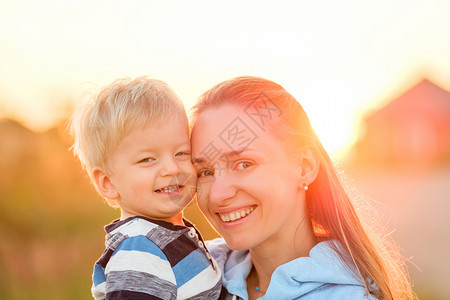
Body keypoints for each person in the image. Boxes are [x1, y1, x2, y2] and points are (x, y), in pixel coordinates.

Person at [189, 76, 416, 300]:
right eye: (205, 172)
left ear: (304, 166)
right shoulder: (189, 272)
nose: (217, 194)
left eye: (244, 164)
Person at [70, 77, 222, 300]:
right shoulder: (140, 250)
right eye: (147, 159)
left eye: (181, 153)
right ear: (108, 183)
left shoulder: (162, 236)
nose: (171, 168)